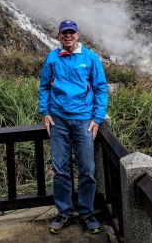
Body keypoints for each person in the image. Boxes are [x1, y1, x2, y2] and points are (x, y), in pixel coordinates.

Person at [39, 20, 108, 234]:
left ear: (77, 35)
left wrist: (97, 118)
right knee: (61, 169)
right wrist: (46, 112)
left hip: (83, 120)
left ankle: (86, 212)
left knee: (87, 169)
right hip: (58, 120)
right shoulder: (52, 57)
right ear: (59, 36)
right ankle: (65, 213)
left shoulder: (90, 58)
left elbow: (101, 88)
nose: (68, 36)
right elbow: (44, 86)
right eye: (64, 33)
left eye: (71, 32)